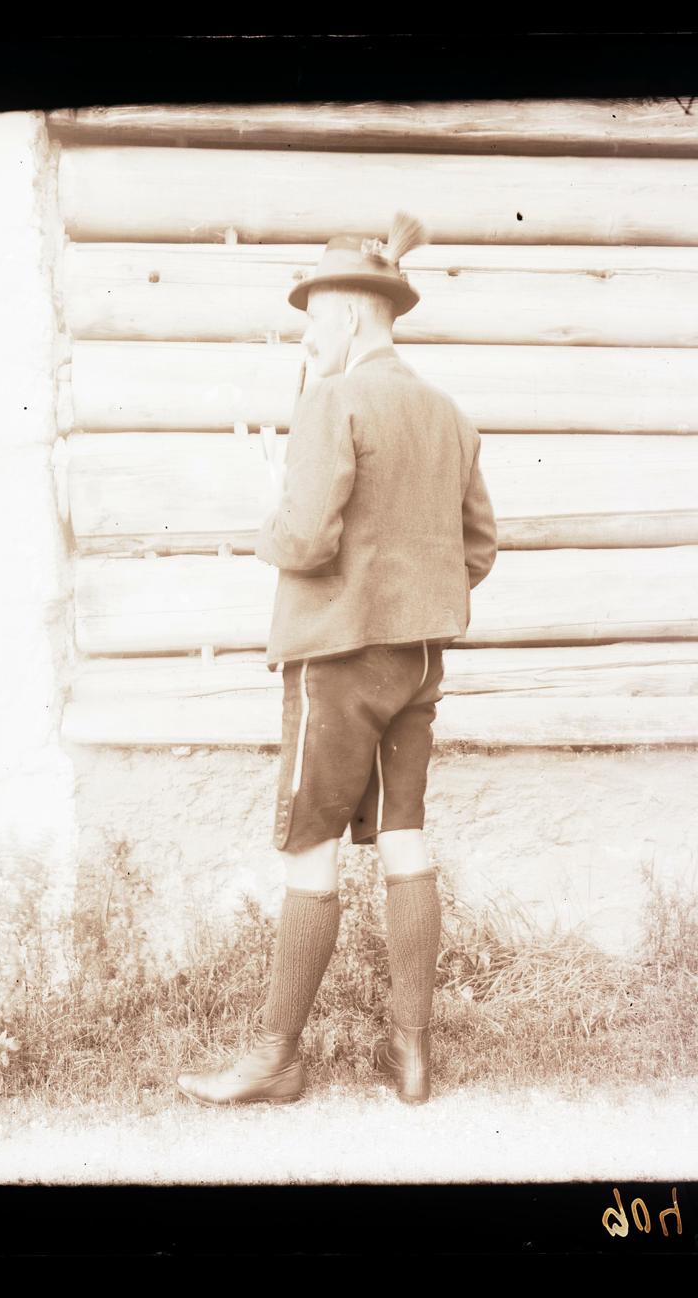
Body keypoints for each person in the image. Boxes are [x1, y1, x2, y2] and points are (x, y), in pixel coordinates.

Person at [175, 213, 497, 1107]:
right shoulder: (450, 414)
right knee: (405, 839)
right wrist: (412, 602)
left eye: (313, 319)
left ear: (350, 316)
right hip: (419, 665)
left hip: (335, 665)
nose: (307, 338)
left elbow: (306, 540)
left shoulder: (332, 401)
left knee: (309, 849)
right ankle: (412, 1058)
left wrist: (264, 529)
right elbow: (478, 550)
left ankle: (277, 1059)